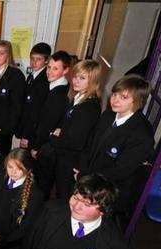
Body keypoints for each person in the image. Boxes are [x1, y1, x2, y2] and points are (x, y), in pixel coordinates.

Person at [20, 174, 133, 249]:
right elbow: (29, 245)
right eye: (75, 197)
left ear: (103, 210)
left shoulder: (118, 247)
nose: (76, 206)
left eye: (87, 204)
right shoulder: (50, 211)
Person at [76, 75, 154, 229]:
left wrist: (85, 177)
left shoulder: (142, 135)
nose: (115, 100)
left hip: (110, 193)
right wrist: (83, 169)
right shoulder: (109, 114)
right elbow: (91, 143)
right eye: (115, 94)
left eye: (123, 97)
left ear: (138, 101)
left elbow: (119, 171)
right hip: (90, 180)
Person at [50, 60, 102, 201]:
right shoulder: (78, 98)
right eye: (75, 76)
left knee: (66, 198)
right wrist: (61, 128)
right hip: (66, 157)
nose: (76, 81)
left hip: (72, 162)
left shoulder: (88, 107)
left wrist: (52, 138)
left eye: (82, 78)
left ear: (93, 81)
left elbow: (76, 142)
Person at [0, 148, 43, 249]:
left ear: (27, 169)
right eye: (10, 167)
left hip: (12, 239)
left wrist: (5, 239)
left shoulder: (35, 194)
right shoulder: (0, 176)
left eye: (19, 168)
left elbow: (27, 226)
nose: (13, 172)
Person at [31, 50, 71, 198]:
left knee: (42, 184)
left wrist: (36, 147)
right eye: (49, 67)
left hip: (46, 149)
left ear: (66, 70)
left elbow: (47, 124)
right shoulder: (56, 87)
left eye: (56, 68)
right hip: (48, 146)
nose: (50, 72)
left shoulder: (58, 95)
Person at [16, 42, 52, 149]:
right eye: (32, 58)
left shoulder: (44, 80)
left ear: (46, 60)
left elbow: (34, 111)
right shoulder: (32, 76)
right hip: (25, 127)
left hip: (32, 133)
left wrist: (27, 136)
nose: (34, 62)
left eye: (39, 59)